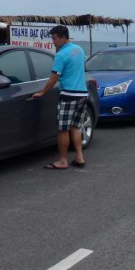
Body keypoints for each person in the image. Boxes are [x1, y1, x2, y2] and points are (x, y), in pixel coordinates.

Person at [31, 25, 88, 169]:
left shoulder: (61, 55)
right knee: (75, 126)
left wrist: (42, 92)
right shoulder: (79, 50)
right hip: (82, 93)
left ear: (63, 38)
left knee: (63, 129)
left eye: (55, 38)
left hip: (68, 94)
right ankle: (79, 157)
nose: (53, 42)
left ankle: (63, 161)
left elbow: (54, 78)